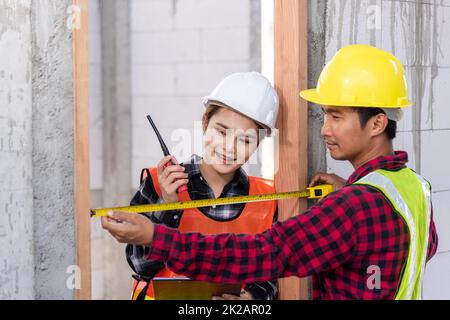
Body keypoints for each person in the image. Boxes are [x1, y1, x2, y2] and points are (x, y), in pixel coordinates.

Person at [102, 45, 438, 300]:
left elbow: (267, 255)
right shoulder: (412, 187)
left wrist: (154, 235)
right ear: (204, 124)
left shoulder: (332, 204)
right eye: (325, 116)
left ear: (377, 123)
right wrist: (165, 212)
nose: (324, 130)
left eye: (335, 117)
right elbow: (424, 244)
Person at [126, 72, 280, 300]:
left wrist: (251, 299)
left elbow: (270, 272)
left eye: (245, 140)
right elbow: (141, 265)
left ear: (258, 145)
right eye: (221, 131)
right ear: (205, 123)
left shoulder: (266, 200)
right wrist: (168, 207)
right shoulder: (157, 184)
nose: (230, 147)